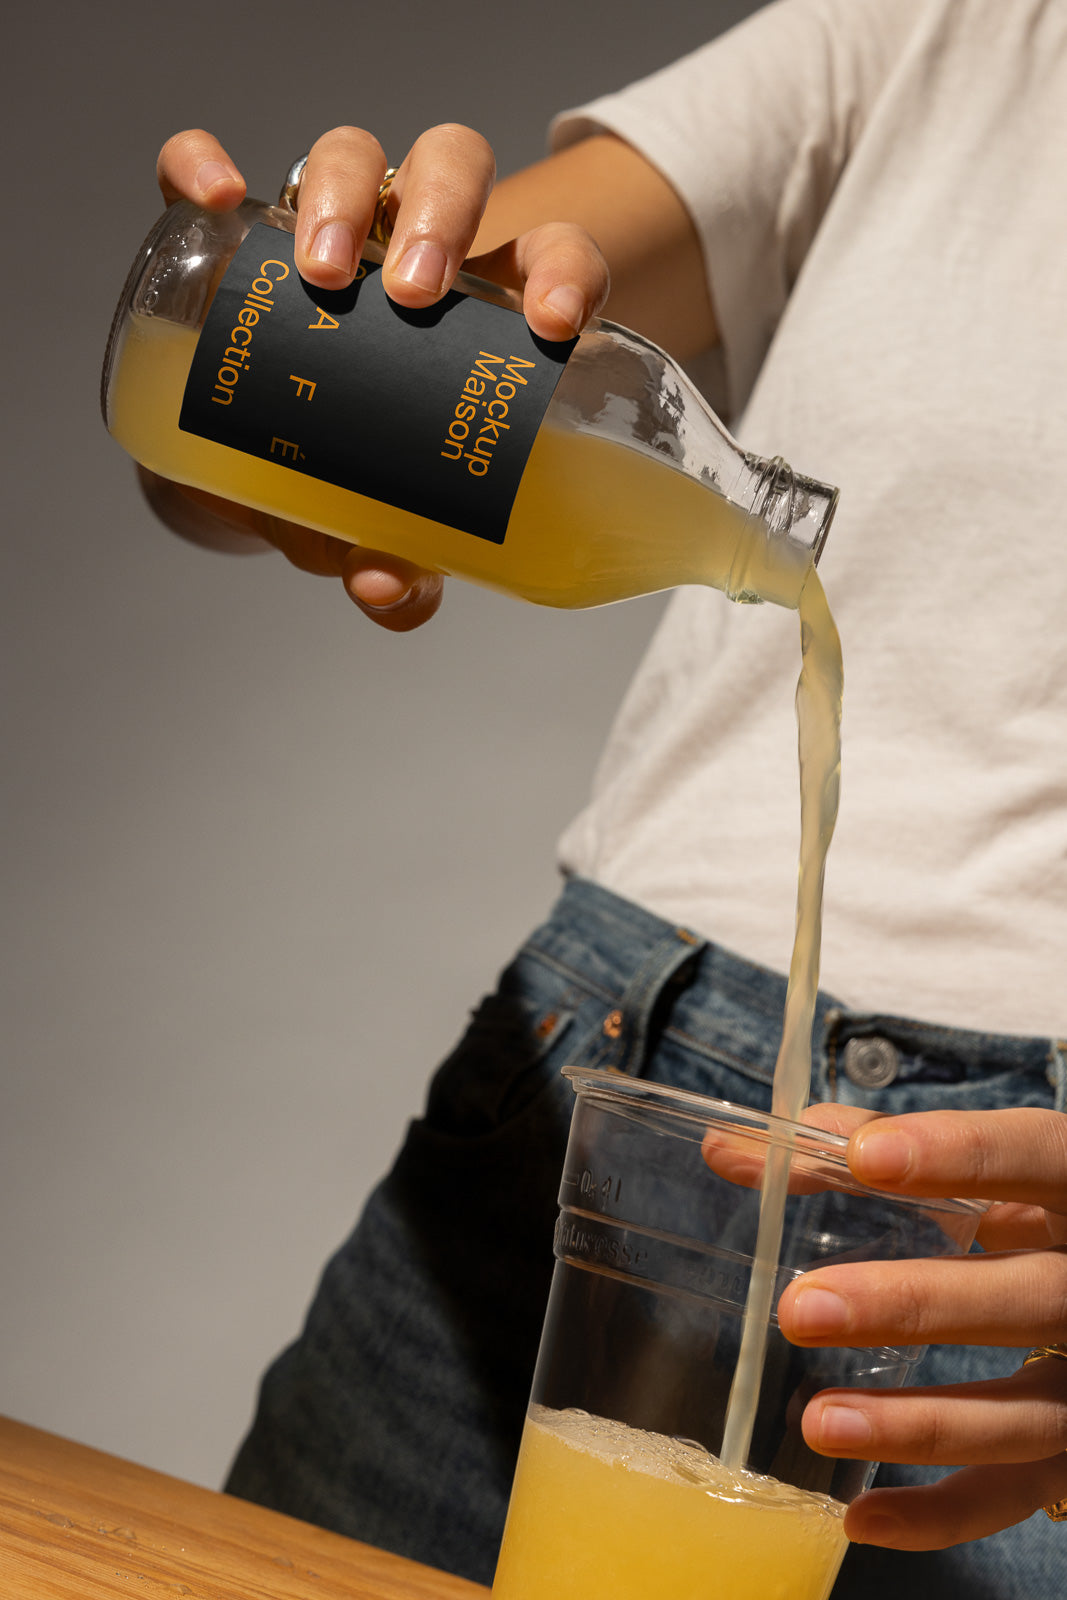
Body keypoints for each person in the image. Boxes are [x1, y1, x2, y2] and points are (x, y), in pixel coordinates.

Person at [141, 0, 1066, 1594]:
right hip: (608, 1078)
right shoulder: (972, 32)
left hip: (1020, 1268)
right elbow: (223, 438)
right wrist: (331, 290)